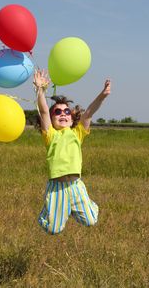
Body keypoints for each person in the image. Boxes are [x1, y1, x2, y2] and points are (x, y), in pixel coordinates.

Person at [33, 69, 111, 234]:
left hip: (76, 185)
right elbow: (44, 110)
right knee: (53, 229)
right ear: (52, 119)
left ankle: (78, 207)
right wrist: (40, 89)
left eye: (66, 111)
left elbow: (89, 112)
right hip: (56, 187)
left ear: (71, 117)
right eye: (58, 112)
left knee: (91, 220)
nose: (63, 114)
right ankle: (47, 213)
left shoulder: (78, 133)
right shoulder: (50, 135)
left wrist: (102, 95)